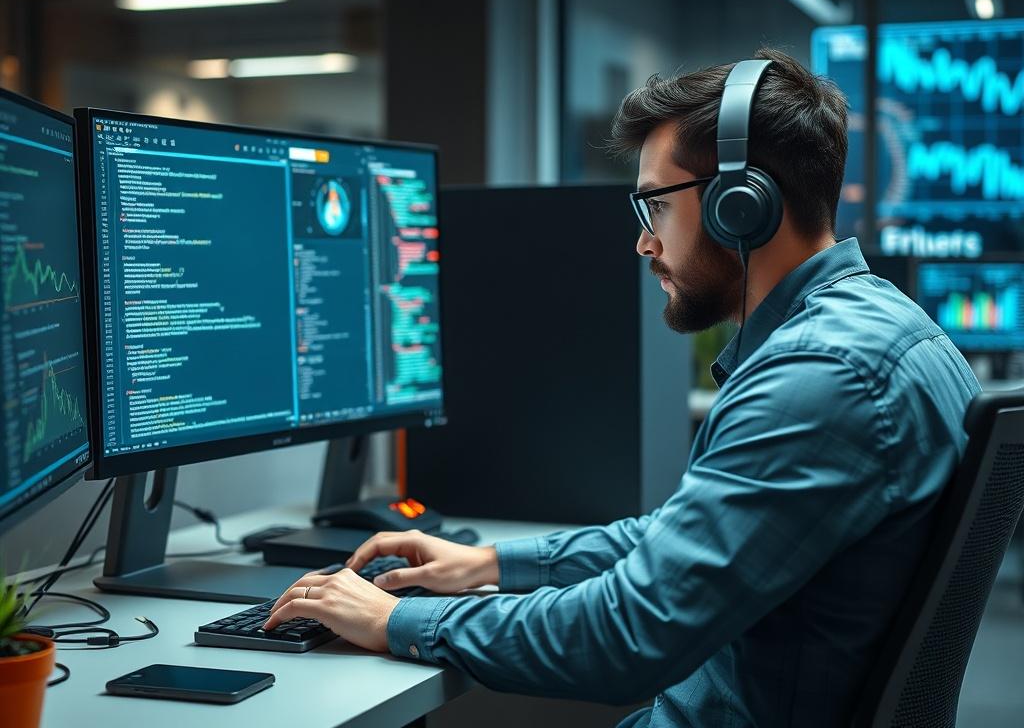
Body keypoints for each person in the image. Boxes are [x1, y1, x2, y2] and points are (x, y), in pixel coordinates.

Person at [263, 48, 981, 727]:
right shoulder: (886, 331)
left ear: (741, 204)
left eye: (655, 206)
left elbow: (629, 634)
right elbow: (682, 543)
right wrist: (490, 564)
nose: (644, 242)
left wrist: (396, 619)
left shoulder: (820, 378)